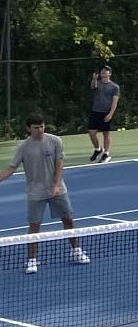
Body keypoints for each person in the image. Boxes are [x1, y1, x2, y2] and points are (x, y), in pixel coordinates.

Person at [0, 114, 90, 274]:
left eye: (42, 126)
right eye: (36, 128)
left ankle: (76, 251)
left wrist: (56, 185)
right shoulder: (23, 147)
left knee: (68, 220)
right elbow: (10, 169)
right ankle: (32, 260)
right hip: (35, 193)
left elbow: (59, 165)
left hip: (58, 190)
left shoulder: (55, 141)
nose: (40, 130)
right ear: (28, 129)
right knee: (34, 226)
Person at [87, 65, 120, 162]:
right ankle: (97, 149)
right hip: (95, 111)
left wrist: (110, 114)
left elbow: (115, 102)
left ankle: (106, 153)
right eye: (102, 72)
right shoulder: (98, 83)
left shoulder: (115, 87)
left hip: (106, 112)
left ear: (109, 74)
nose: (103, 74)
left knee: (106, 134)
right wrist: (94, 79)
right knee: (92, 132)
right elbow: (92, 87)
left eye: (105, 72)